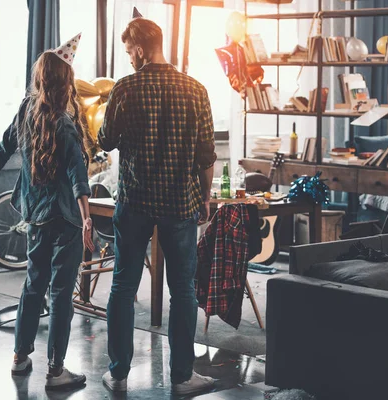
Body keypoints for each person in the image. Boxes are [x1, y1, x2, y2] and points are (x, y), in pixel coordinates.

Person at [0, 33, 95, 391]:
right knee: (62, 293)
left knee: (33, 285)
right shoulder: (66, 124)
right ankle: (57, 370)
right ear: (67, 81)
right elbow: (78, 178)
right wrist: (87, 219)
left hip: (34, 215)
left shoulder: (26, 110)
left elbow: (1, 151)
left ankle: (19, 358)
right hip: (65, 218)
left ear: (40, 78)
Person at [98, 16, 217, 396]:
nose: (128, 57)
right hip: (181, 202)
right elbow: (206, 155)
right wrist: (206, 196)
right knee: (183, 290)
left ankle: (117, 375)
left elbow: (106, 141)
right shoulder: (196, 90)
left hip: (134, 201)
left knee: (122, 286)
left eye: (128, 50)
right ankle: (182, 377)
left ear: (138, 46)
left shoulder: (126, 88)